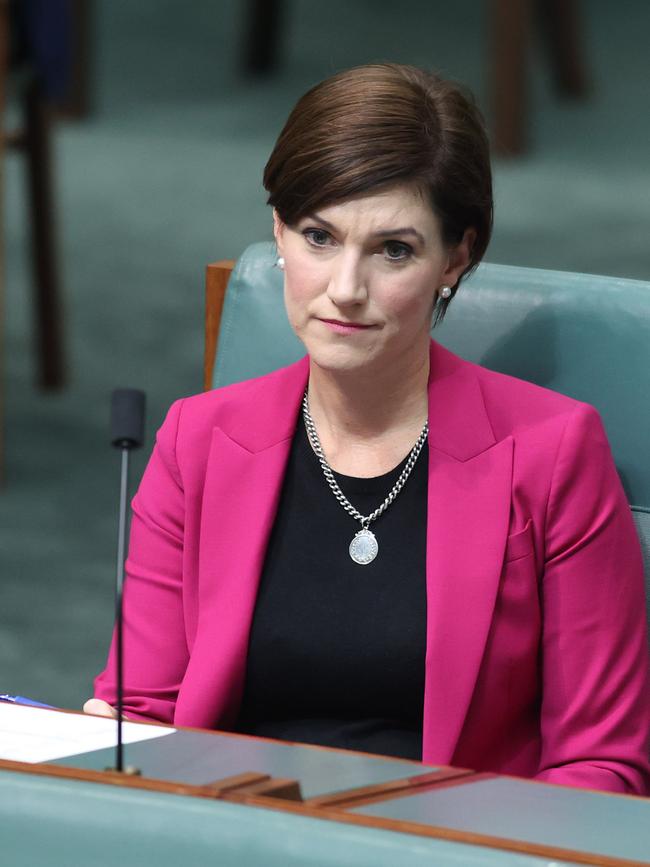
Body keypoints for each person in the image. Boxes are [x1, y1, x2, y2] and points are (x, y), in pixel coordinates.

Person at [85, 63, 650, 794]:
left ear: (457, 256)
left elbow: (599, 765)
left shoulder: (552, 451)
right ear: (279, 231)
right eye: (319, 236)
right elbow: (141, 712)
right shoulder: (197, 439)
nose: (346, 289)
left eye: (393, 250)